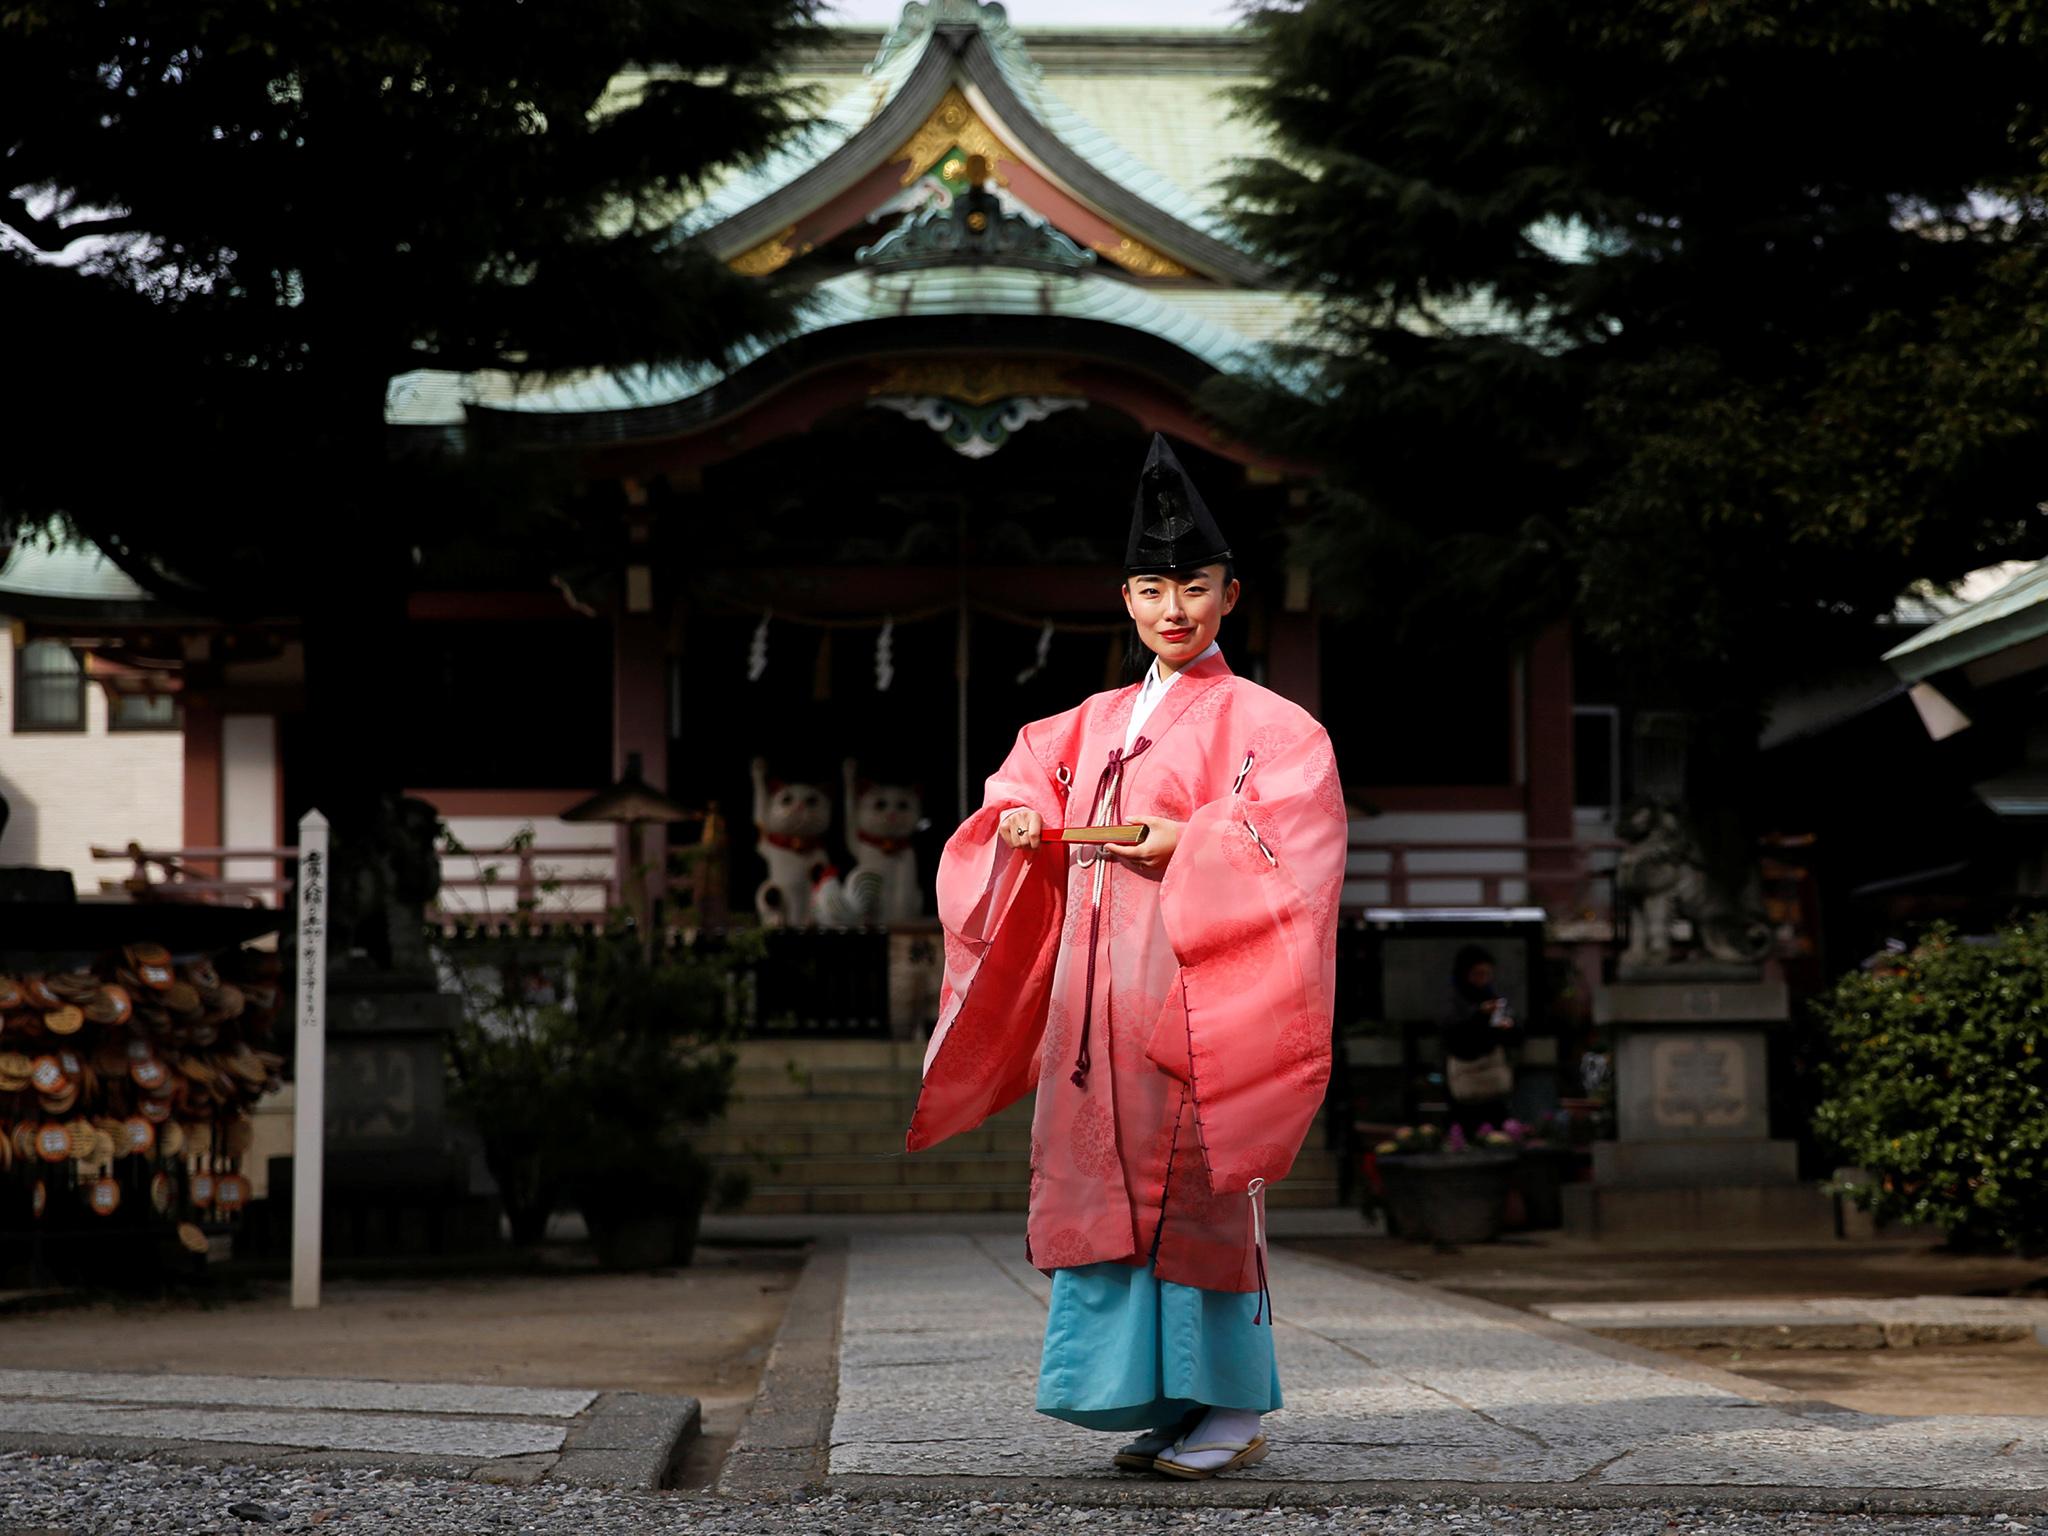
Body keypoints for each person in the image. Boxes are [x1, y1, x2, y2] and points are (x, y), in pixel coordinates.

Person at [908, 434, 1346, 1481]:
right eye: (1153, 588)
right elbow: (1019, 780)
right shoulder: (1090, 720)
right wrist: (1013, 820)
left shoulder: (1273, 726)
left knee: (1197, 1188)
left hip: (1192, 996)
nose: (1173, 609)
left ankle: (1229, 1405)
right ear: (1126, 597)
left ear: (1228, 596)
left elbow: (1300, 842)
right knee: (1099, 1182)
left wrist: (1188, 840)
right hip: (1091, 1003)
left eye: (1194, 587)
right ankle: (1154, 1398)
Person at [1443, 944, 1522, 1137]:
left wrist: (1507, 1027)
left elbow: (1513, 1036)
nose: (1483, 979)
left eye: (1487, 974)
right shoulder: (1454, 1000)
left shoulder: (1492, 998)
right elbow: (1454, 1034)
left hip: (1492, 1083)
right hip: (1464, 1081)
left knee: (1496, 1131)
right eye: (1478, 974)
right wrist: (1479, 1015)